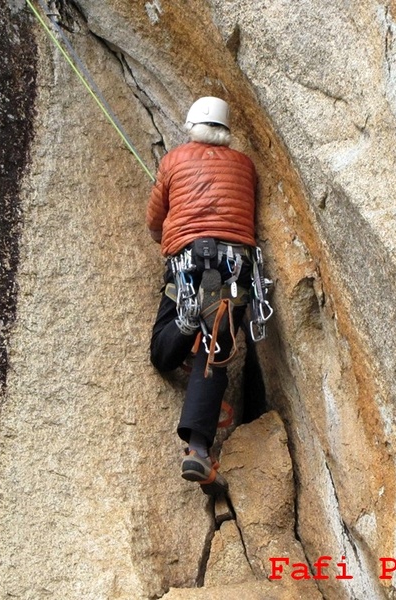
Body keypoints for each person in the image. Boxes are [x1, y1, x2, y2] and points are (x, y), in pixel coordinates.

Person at [147, 96, 258, 495]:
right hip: (233, 270)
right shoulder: (245, 166)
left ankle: (184, 321)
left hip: (188, 264)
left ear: (191, 125)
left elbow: (154, 223)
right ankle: (197, 450)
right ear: (226, 131)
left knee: (162, 356)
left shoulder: (174, 160)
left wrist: (174, 227)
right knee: (215, 355)